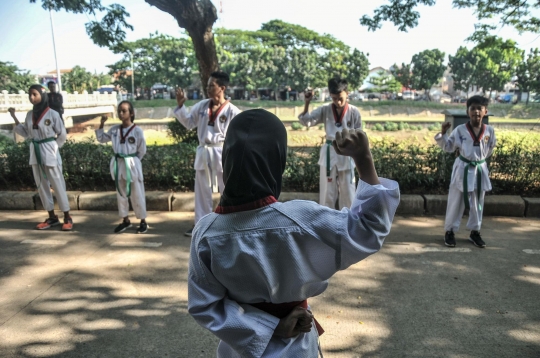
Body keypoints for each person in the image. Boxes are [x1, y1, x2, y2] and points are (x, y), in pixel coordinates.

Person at [187, 109, 400, 357]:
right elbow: (369, 228)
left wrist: (270, 328)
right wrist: (363, 158)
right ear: (278, 159)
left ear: (227, 157)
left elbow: (204, 306)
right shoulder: (302, 219)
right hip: (296, 348)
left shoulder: (206, 232)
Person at [174, 71, 241, 237]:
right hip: (204, 152)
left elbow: (238, 136)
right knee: (202, 191)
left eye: (212, 85)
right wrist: (181, 106)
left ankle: (229, 223)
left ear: (222, 88)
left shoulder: (233, 111)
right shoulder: (202, 106)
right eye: (208, 84)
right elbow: (189, 123)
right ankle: (201, 225)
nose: (208, 88)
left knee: (226, 190)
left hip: (222, 152)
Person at [8, 85, 73, 230]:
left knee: (57, 184)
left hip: (49, 150)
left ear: (42, 95)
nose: (31, 97)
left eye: (34, 94)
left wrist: (54, 148)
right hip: (35, 151)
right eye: (29, 95)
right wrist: (14, 117)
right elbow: (25, 133)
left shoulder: (53, 114)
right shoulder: (29, 115)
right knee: (41, 185)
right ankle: (51, 217)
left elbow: (62, 134)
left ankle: (67, 217)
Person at [435, 95, 497, 248]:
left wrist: (478, 159)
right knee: (456, 201)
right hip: (462, 169)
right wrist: (443, 133)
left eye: (479, 108)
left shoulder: (489, 131)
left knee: (477, 202)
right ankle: (450, 231)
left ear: (485, 111)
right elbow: (449, 147)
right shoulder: (460, 130)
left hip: (479, 170)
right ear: (468, 111)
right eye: (473, 108)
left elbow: (489, 150)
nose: (476, 111)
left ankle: (475, 232)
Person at [298, 77, 362, 209]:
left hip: (347, 154)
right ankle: (326, 224)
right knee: (327, 194)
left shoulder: (354, 112)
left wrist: (357, 155)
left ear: (347, 93)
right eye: (334, 98)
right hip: (329, 153)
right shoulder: (325, 109)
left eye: (340, 98)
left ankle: (348, 225)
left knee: (349, 194)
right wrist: (307, 103)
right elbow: (307, 121)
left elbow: (359, 135)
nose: (337, 102)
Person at [96, 101, 148, 234]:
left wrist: (133, 161)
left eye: (124, 111)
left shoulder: (137, 131)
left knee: (137, 193)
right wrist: (102, 124)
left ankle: (143, 221)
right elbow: (101, 138)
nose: (121, 113)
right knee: (121, 193)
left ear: (131, 113)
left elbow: (142, 150)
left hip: (132, 164)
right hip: (119, 164)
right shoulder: (114, 130)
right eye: (119, 111)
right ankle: (125, 220)